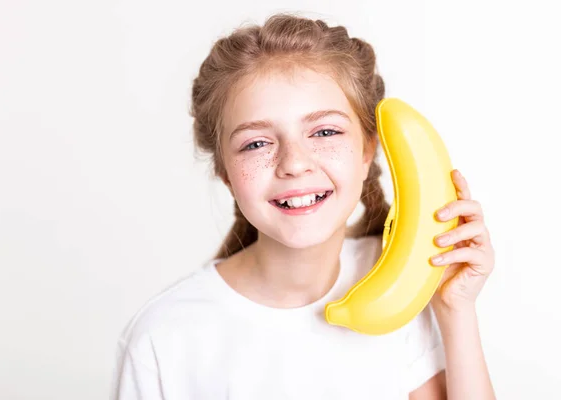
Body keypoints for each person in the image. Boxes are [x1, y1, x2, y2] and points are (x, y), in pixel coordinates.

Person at [110, 13, 496, 400]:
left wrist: (454, 311)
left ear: (368, 151)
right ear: (225, 172)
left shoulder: (405, 291)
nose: (294, 163)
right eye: (256, 143)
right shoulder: (163, 339)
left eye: (325, 131)